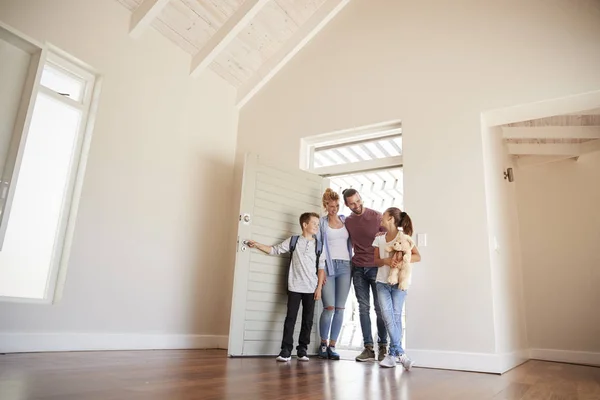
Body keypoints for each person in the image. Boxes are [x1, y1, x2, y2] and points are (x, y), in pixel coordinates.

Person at [246, 212, 325, 362]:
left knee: (308, 320)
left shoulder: (319, 245)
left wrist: (319, 287)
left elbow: (321, 268)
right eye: (314, 223)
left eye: (317, 223)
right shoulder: (293, 241)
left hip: (311, 288)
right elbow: (274, 250)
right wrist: (256, 244)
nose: (316, 226)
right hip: (294, 286)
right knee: (291, 318)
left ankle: (302, 349)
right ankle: (286, 350)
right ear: (305, 225)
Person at [343, 188, 388, 362]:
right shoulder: (348, 221)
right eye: (352, 203)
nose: (357, 205)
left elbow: (391, 238)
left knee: (380, 308)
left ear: (361, 198)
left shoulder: (377, 216)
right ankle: (368, 348)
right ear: (347, 205)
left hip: (376, 267)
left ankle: (383, 346)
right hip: (358, 269)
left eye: (358, 200)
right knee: (363, 308)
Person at [373, 207, 421, 369]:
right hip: (382, 282)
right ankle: (401, 354)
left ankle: (393, 354)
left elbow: (417, 256)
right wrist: (387, 261)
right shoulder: (379, 239)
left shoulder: (404, 238)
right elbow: (376, 261)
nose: (381, 217)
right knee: (388, 316)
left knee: (396, 316)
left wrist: (402, 262)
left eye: (384, 215)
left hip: (399, 282)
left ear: (391, 219)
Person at [317, 189, 353, 360]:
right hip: (328, 267)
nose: (335, 209)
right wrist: (320, 272)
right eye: (331, 206)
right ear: (325, 206)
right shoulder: (322, 223)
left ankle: (332, 346)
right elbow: (318, 248)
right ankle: (323, 344)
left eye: (337, 206)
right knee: (329, 308)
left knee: (340, 309)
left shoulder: (346, 221)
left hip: (346, 267)